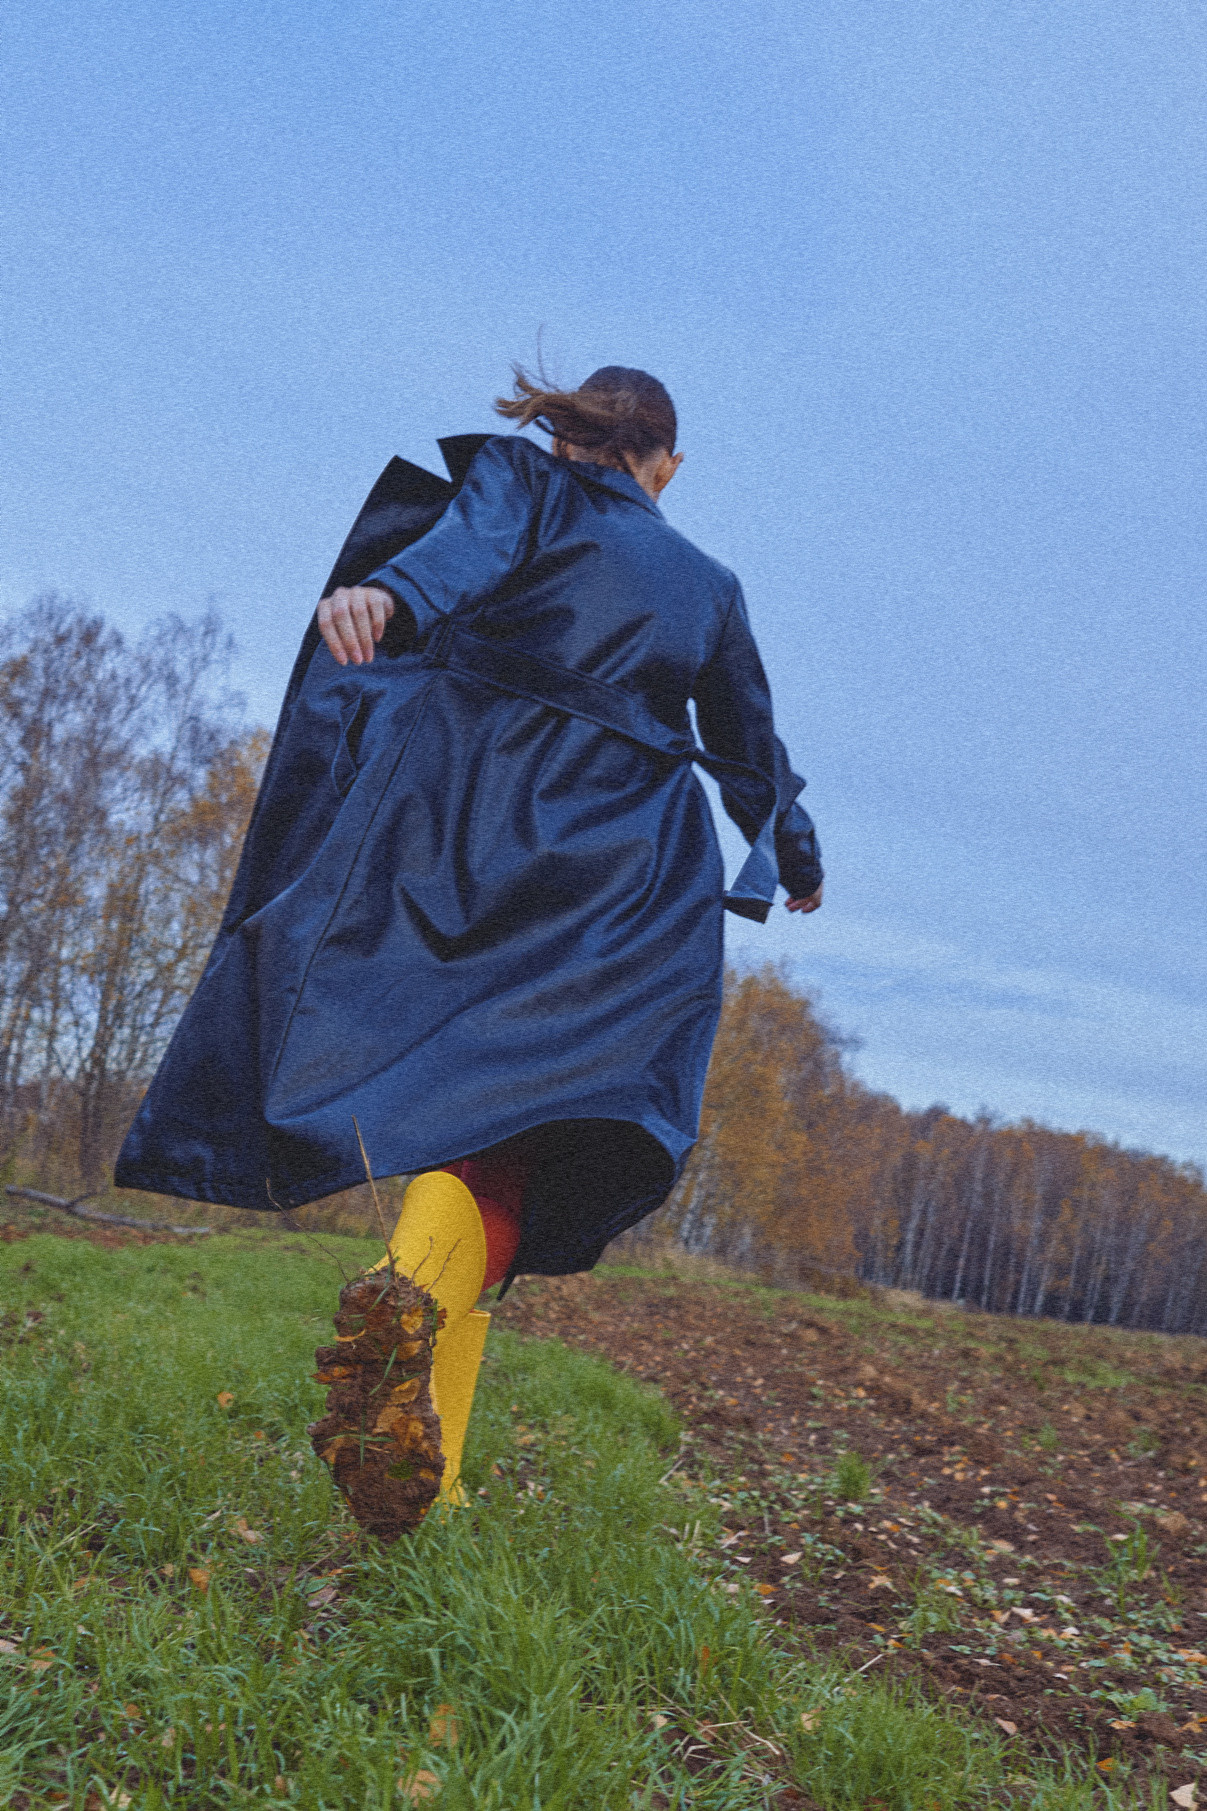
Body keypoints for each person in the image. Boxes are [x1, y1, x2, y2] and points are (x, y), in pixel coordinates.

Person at [115, 364, 823, 1536]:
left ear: (573, 434)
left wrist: (382, 595)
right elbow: (752, 747)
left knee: (472, 1104)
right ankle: (422, 1367)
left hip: (470, 827)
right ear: (668, 465)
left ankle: (423, 1445)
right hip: (627, 877)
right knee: (542, 1126)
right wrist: (793, 854)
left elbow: (457, 559)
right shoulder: (709, 584)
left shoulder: (517, 484)